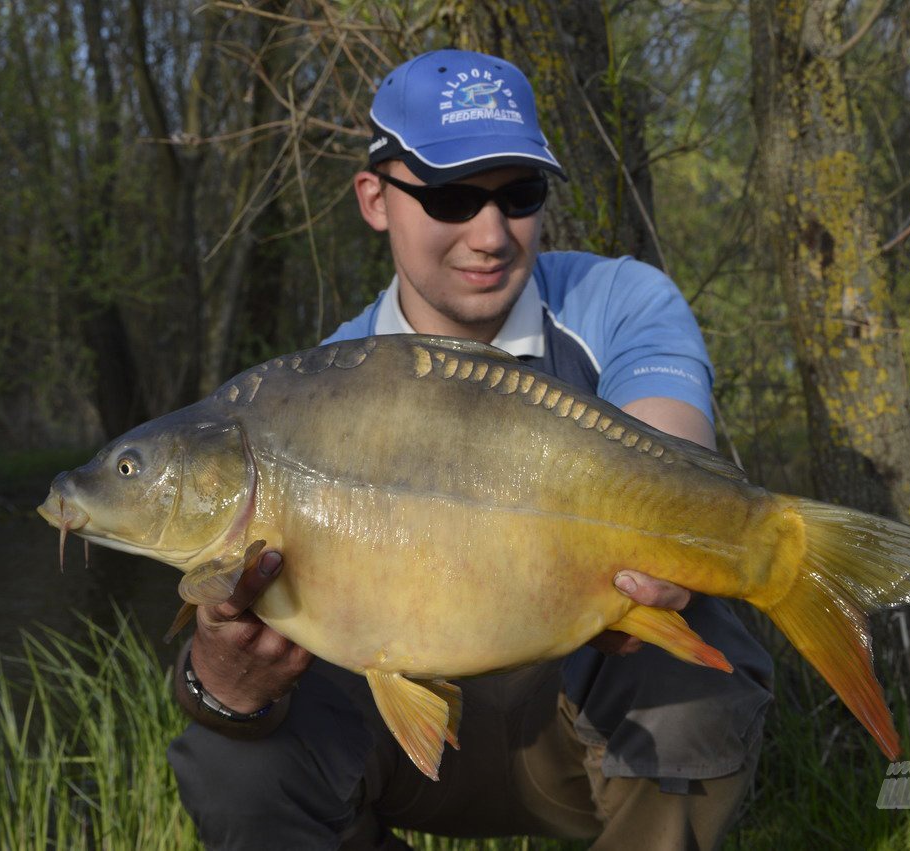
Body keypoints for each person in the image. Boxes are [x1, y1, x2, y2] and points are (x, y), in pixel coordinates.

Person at [167, 49, 773, 850]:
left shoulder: (618, 300)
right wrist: (221, 687)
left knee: (694, 647)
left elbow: (671, 467)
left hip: (581, 706)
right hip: (416, 742)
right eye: (453, 197)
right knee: (230, 746)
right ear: (375, 198)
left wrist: (668, 560)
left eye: (519, 196)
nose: (491, 235)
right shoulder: (315, 394)